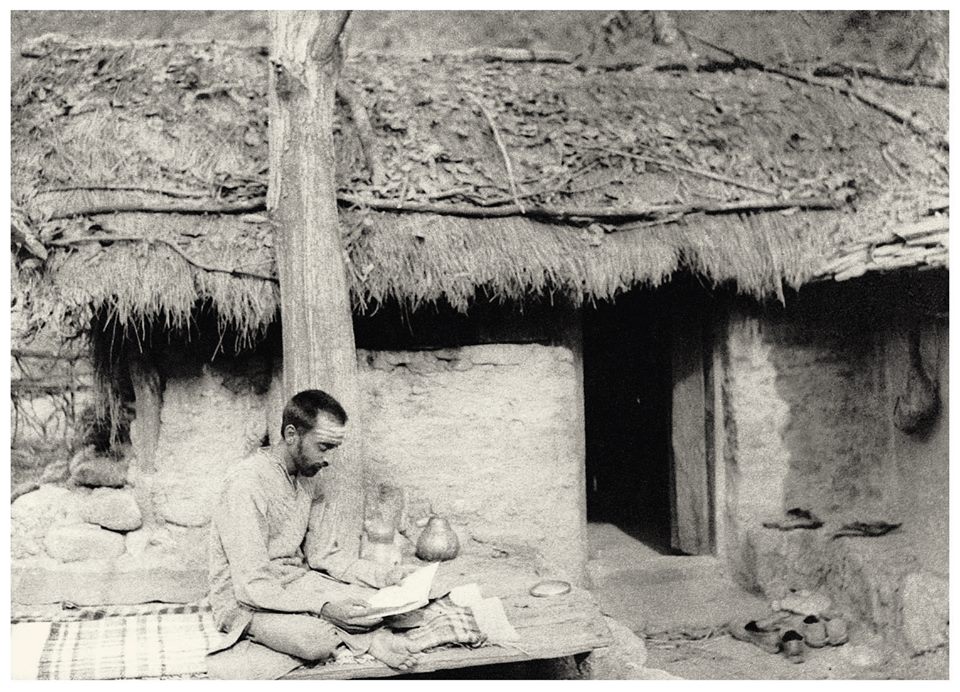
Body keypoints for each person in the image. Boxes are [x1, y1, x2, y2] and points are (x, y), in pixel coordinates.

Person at [207, 389, 469, 679]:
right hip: (246, 601)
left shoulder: (310, 478)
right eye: (323, 446)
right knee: (315, 641)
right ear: (292, 435)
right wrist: (324, 607)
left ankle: (352, 631)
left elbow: (324, 555)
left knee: (393, 610)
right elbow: (251, 585)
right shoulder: (245, 484)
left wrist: (386, 577)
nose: (328, 458)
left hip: (296, 585)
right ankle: (369, 641)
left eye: (333, 448)